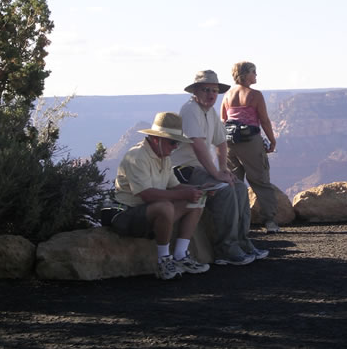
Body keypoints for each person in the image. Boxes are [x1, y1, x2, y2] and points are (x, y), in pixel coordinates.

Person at [170, 70, 268, 266]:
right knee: (224, 190)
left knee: (239, 187)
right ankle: (225, 249)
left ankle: (241, 242)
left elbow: (221, 141)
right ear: (195, 91)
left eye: (214, 90)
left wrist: (223, 169)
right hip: (184, 171)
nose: (211, 94)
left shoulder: (209, 112)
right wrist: (215, 174)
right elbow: (197, 145)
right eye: (206, 90)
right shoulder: (190, 110)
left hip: (201, 169)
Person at [111, 112, 211, 280]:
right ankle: (163, 260)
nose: (175, 147)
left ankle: (180, 256)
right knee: (165, 206)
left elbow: (176, 186)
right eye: (173, 142)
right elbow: (147, 195)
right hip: (128, 215)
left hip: (150, 213)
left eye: (177, 143)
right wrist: (183, 194)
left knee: (197, 198)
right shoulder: (137, 157)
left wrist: (200, 189)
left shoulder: (164, 157)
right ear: (157, 139)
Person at [221, 61, 281, 234]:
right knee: (260, 180)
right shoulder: (255, 95)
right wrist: (272, 140)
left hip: (230, 141)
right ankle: (269, 221)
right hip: (250, 141)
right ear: (246, 74)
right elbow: (264, 120)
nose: (256, 75)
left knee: (234, 182)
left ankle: (237, 223)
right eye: (254, 72)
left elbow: (223, 120)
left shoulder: (227, 95)